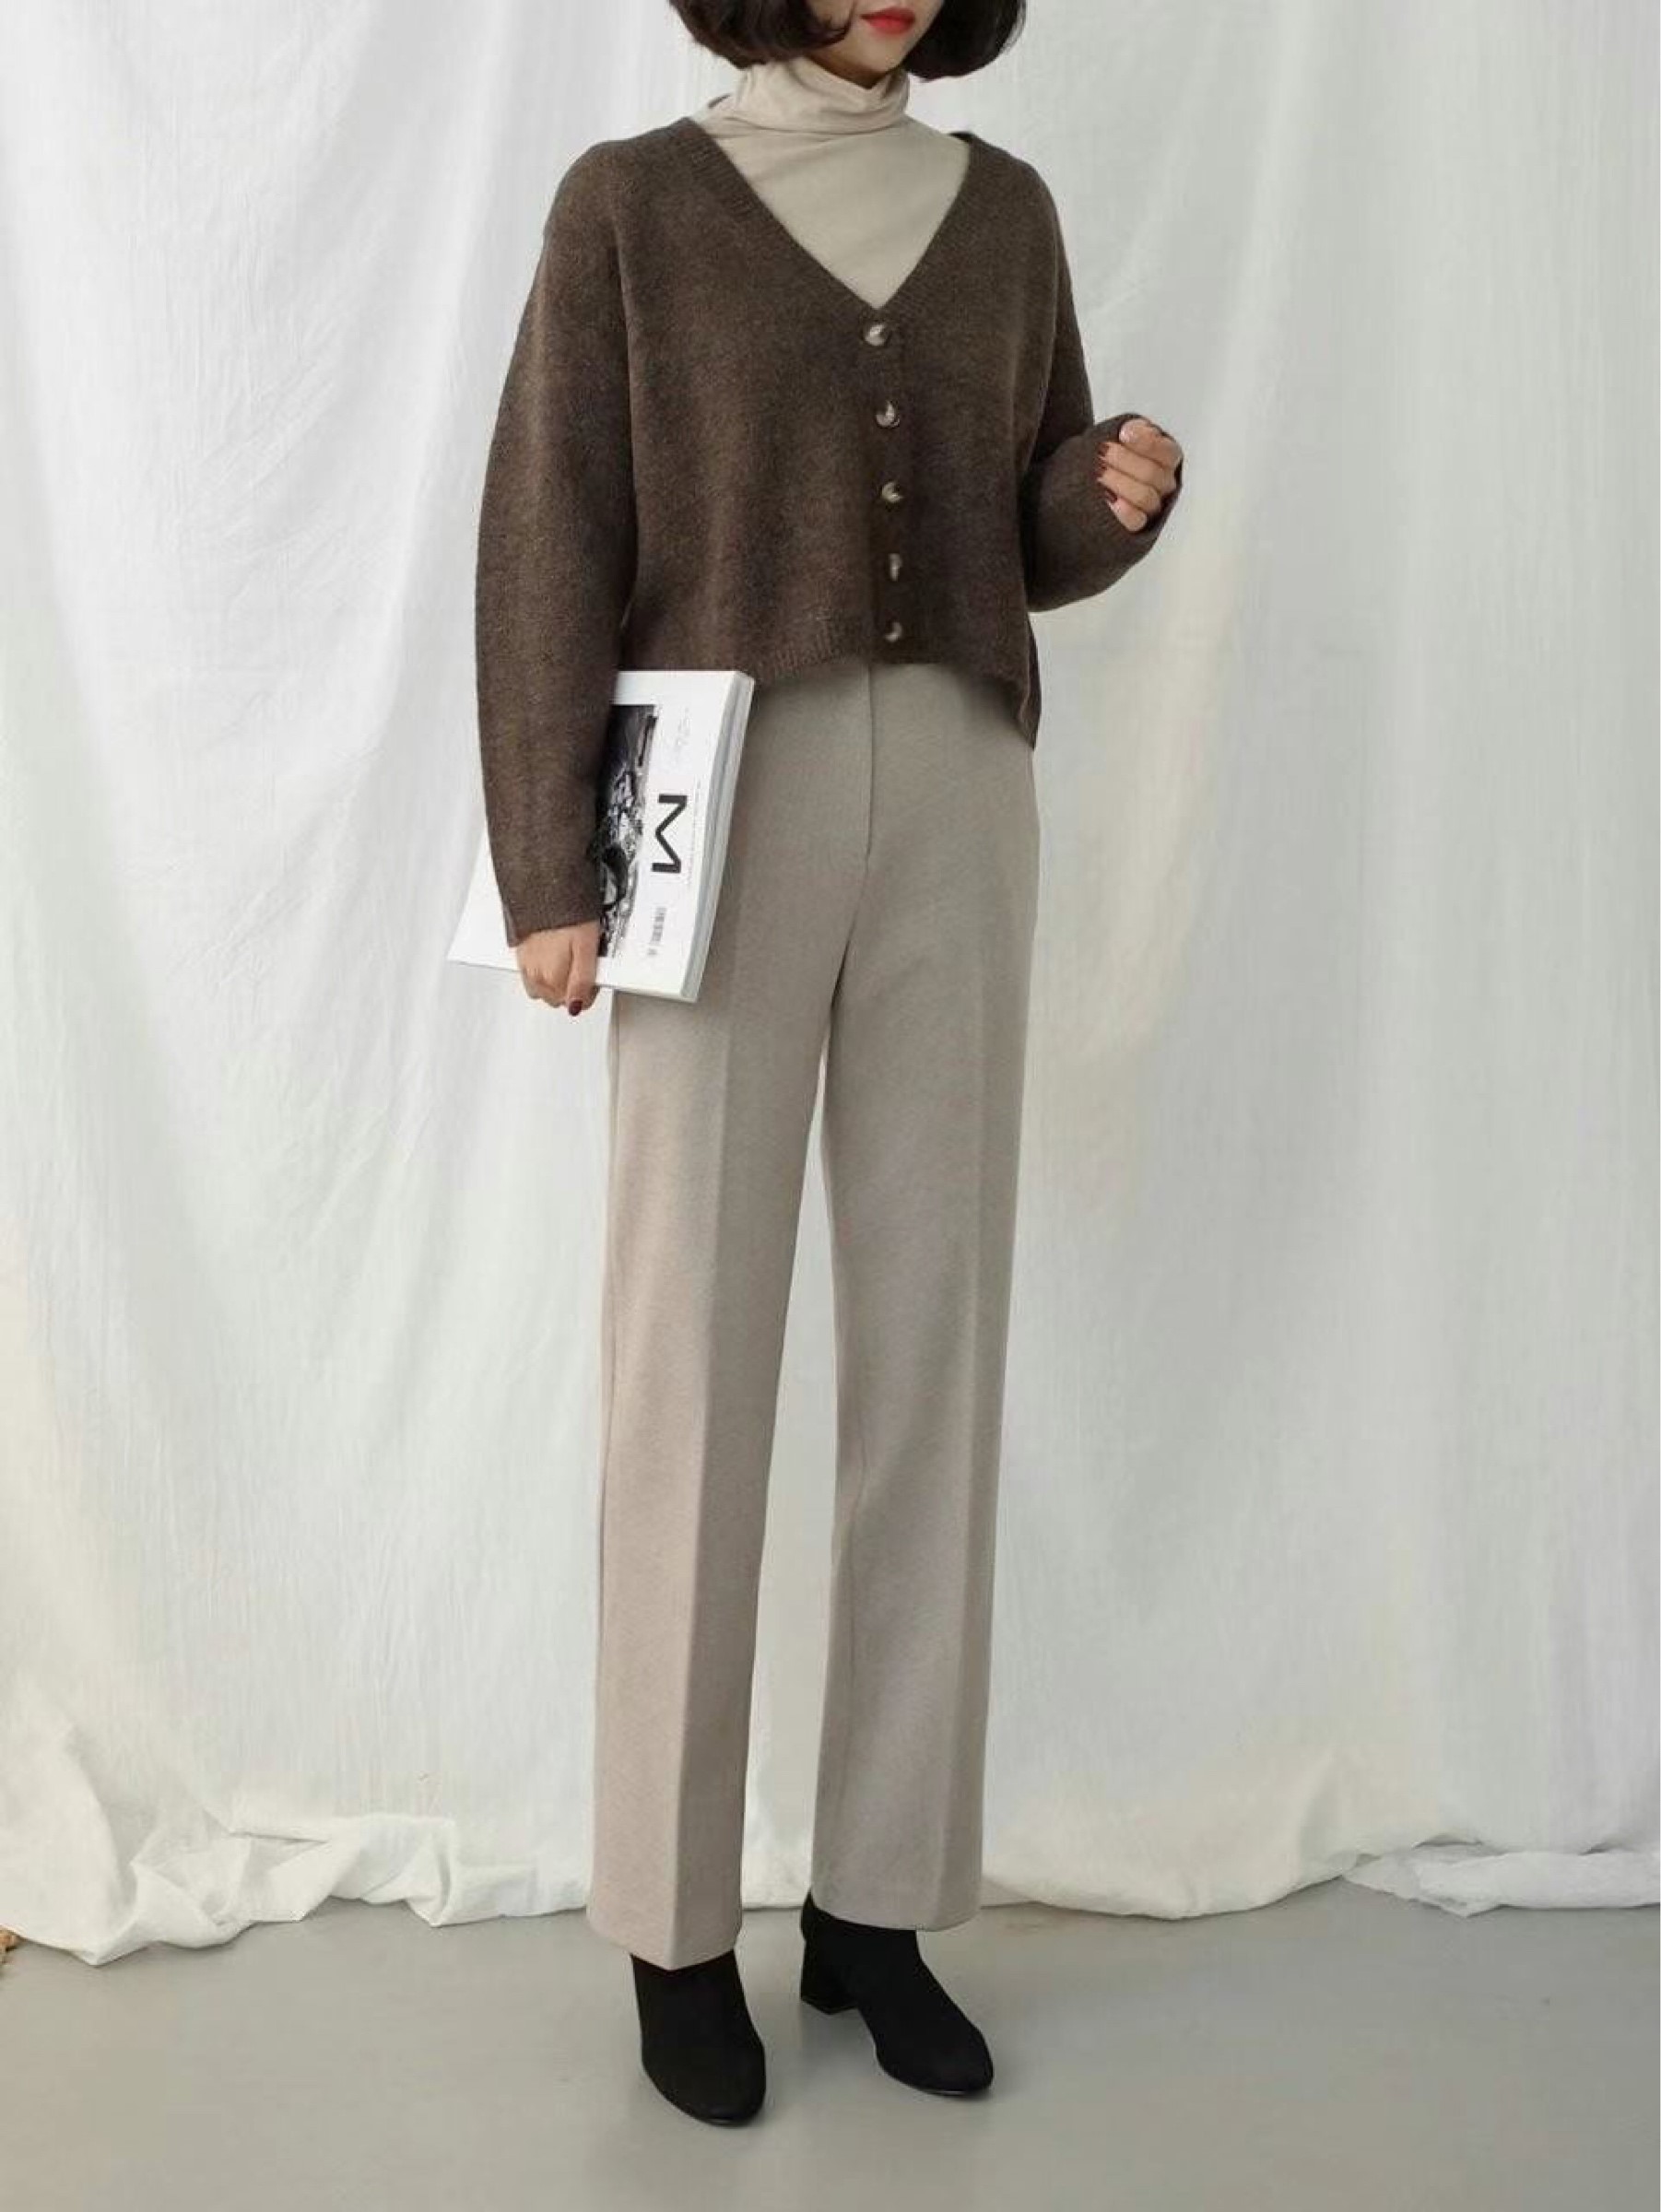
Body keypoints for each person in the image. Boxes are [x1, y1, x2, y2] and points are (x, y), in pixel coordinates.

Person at [474, 0, 1184, 2125]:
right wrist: (547, 868)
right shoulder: (631, 208)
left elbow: (1022, 531)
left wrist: (1105, 497)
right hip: (718, 807)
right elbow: (548, 535)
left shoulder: (1003, 211)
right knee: (689, 1361)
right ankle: (671, 1926)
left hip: (958, 788)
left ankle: (876, 1909)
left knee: (932, 1353)